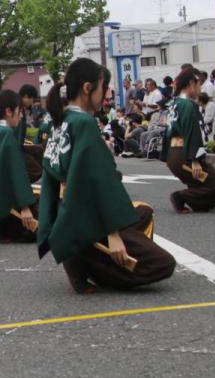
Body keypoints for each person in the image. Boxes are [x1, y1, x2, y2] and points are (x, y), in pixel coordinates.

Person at [37, 58, 176, 292]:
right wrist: (113, 234)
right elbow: (99, 181)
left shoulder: (60, 121)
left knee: (142, 212)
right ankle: (95, 266)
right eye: (103, 88)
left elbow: (51, 176)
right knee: (163, 264)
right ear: (87, 88)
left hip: (68, 215)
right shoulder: (83, 123)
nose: (106, 95)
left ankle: (79, 260)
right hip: (84, 216)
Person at [166, 70, 215, 214]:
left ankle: (197, 202)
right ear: (191, 84)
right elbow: (193, 132)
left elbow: (168, 132)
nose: (200, 89)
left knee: (202, 195)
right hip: (186, 155)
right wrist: (195, 160)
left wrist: (167, 157)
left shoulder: (173, 104)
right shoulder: (188, 105)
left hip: (174, 154)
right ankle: (181, 196)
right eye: (198, 85)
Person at [0, 90, 38, 243]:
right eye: (19, 111)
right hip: (2, 200)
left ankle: (4, 231)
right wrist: (25, 207)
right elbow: (16, 172)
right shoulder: (7, 134)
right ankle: (10, 230)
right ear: (9, 111)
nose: (20, 116)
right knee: (44, 229)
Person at [17, 84, 45, 183]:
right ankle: (18, 185)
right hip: (15, 147)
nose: (33, 101)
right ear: (25, 96)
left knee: (39, 149)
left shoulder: (23, 109)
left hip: (20, 144)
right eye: (32, 98)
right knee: (37, 171)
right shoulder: (17, 109)